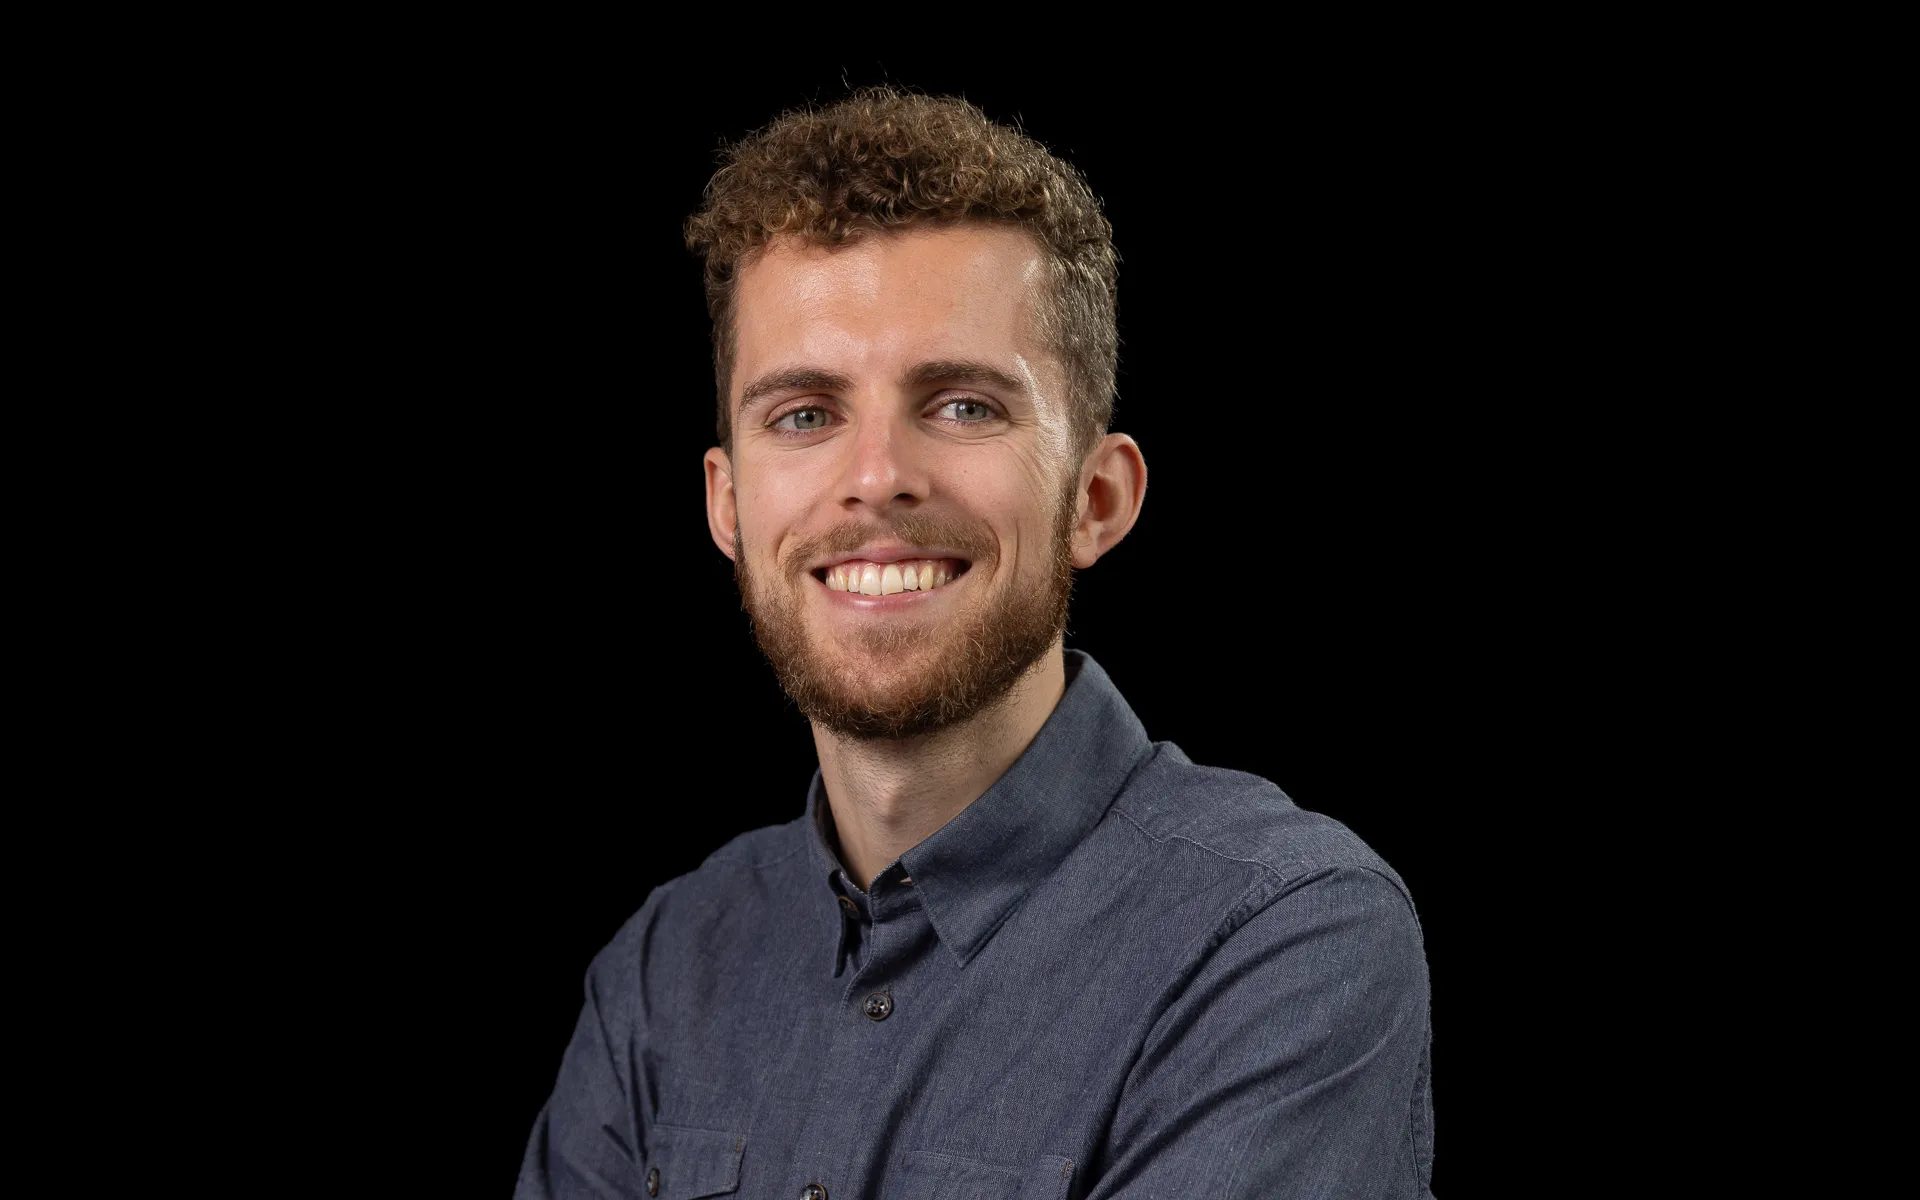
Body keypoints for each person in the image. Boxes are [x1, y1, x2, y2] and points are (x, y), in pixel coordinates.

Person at [516, 88, 1434, 1199]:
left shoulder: (1279, 940)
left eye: (960, 406)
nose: (875, 477)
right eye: (804, 414)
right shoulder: (664, 975)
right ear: (727, 505)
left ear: (1096, 496)